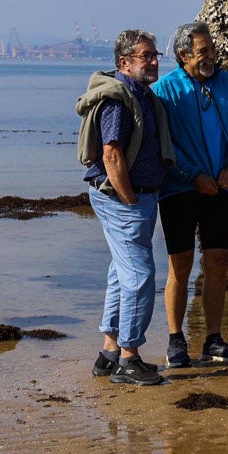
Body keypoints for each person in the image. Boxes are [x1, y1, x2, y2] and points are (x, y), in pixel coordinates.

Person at [152, 21, 228, 368]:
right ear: (183, 55)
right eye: (203, 51)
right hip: (180, 189)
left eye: (212, 49)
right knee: (179, 265)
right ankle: (175, 340)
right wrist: (192, 175)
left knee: (218, 263)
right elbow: (163, 144)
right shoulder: (165, 90)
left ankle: (213, 340)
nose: (212, 56)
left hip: (223, 185)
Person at [76, 29, 175, 386]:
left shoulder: (142, 94)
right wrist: (130, 199)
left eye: (154, 56)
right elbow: (111, 153)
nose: (152, 62)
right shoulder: (118, 99)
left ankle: (109, 353)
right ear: (124, 63)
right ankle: (130, 359)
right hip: (123, 199)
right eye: (145, 56)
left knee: (121, 273)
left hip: (141, 196)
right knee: (140, 277)